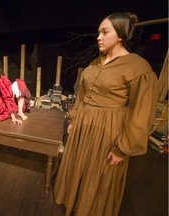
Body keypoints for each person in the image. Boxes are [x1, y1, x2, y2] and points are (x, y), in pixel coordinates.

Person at [54, 12, 159, 216]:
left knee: (99, 174)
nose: (98, 37)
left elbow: (142, 112)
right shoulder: (94, 63)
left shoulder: (138, 67)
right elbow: (82, 95)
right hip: (84, 127)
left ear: (120, 35)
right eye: (98, 32)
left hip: (108, 132)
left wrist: (123, 148)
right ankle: (73, 201)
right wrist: (74, 119)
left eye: (105, 32)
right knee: (78, 166)